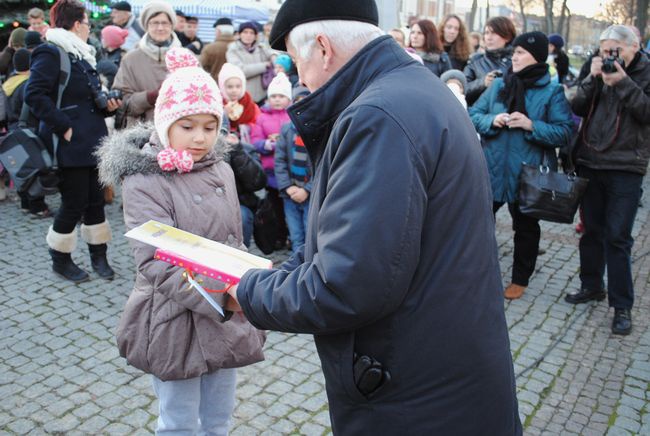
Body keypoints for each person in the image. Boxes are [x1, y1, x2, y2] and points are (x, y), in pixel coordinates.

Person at [226, 1, 522, 433]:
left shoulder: (376, 116)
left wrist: (246, 293)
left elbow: (346, 284)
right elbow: (349, 241)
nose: (296, 77)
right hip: (444, 373)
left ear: (323, 48)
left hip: (412, 395)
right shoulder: (415, 90)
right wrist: (278, 276)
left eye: (293, 58)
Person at [96, 47, 266, 434]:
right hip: (176, 315)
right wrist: (223, 295)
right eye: (187, 126)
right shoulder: (144, 179)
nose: (200, 138)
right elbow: (155, 260)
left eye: (209, 126)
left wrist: (249, 278)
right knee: (179, 421)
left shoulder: (221, 167)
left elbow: (232, 240)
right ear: (165, 122)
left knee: (219, 417)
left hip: (227, 312)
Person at [469, 32, 574, 300]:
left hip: (528, 174)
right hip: (492, 170)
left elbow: (564, 132)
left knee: (526, 229)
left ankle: (520, 278)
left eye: (520, 53)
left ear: (536, 57)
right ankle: (476, 271)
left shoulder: (552, 91)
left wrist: (531, 125)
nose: (514, 57)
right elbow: (473, 115)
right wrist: (493, 120)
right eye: (513, 52)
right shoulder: (498, 85)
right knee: (478, 223)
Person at [25, 0, 121, 283]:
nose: (90, 27)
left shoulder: (82, 55)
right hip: (69, 144)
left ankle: (98, 257)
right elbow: (35, 95)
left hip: (93, 142)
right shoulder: (51, 51)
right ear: (77, 24)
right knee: (74, 203)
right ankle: (60, 259)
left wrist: (108, 107)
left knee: (95, 202)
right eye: (88, 22)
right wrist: (63, 126)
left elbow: (87, 100)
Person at [565, 25, 650, 336]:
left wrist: (623, 83)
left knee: (618, 237)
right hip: (590, 160)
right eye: (604, 51)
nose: (610, 56)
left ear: (635, 47)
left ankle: (622, 306)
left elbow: (646, 113)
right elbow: (575, 106)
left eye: (616, 50)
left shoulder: (646, 73)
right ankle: (591, 285)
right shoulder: (595, 67)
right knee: (591, 231)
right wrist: (593, 77)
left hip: (626, 167)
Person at [112, 2, 181, 127]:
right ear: (146, 25)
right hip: (141, 136)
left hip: (178, 133)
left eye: (165, 23)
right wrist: (149, 97)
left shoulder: (186, 57)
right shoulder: (130, 59)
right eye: (154, 22)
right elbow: (122, 104)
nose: (160, 28)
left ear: (172, 25)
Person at [251, 73, 292, 250]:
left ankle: (294, 236)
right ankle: (279, 236)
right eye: (273, 96)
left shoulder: (291, 115)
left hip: (290, 172)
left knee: (291, 207)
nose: (277, 99)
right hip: (271, 172)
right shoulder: (261, 117)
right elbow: (255, 141)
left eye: (281, 96)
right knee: (276, 208)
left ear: (288, 99)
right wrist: (268, 144)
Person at [274, 85, 311, 254]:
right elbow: (279, 160)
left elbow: (321, 165)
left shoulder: (319, 130)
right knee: (296, 234)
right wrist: (288, 187)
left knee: (310, 232)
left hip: (309, 195)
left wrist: (307, 189)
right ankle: (296, 269)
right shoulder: (287, 130)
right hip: (290, 194)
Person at [464, 16, 516, 106]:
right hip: (478, 115)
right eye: (487, 33)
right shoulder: (475, 61)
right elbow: (463, 89)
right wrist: (483, 82)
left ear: (507, 37)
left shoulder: (517, 60)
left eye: (494, 33)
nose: (489, 37)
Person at [226, 21, 275, 105]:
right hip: (243, 97)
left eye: (251, 33)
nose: (248, 35)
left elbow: (273, 54)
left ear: (255, 36)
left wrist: (274, 58)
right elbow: (241, 70)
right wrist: (265, 65)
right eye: (245, 32)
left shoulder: (260, 48)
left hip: (262, 97)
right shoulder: (233, 50)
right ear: (240, 34)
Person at [218, 62, 260, 144]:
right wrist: (224, 114)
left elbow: (258, 124)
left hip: (247, 143)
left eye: (238, 86)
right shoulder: (218, 103)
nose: (234, 90)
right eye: (230, 87)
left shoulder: (250, 104)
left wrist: (245, 128)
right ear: (222, 87)